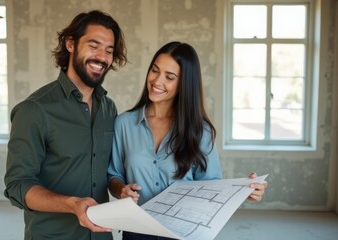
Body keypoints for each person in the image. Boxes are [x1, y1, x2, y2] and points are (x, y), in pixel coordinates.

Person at [107, 41, 268, 240]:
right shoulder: (124, 124)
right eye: (154, 70)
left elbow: (210, 188)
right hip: (137, 231)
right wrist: (120, 189)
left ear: (184, 84)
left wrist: (244, 190)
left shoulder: (201, 131)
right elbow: (113, 174)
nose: (157, 81)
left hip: (183, 233)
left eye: (169, 77)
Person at [4, 10, 127, 240]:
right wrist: (71, 204)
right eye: (94, 45)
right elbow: (17, 186)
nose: (102, 57)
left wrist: (121, 189)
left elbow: (107, 172)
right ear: (71, 44)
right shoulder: (35, 109)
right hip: (53, 235)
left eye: (109, 51)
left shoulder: (109, 109)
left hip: (102, 235)